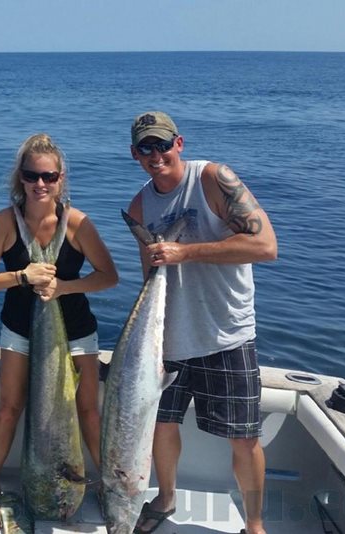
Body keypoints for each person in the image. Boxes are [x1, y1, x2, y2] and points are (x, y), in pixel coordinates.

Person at [124, 111, 277, 534]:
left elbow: (265, 246)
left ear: (179, 143)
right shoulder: (140, 205)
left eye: (162, 144)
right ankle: (166, 498)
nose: (155, 155)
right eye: (145, 148)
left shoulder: (213, 178)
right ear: (134, 154)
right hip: (168, 338)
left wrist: (185, 253)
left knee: (243, 437)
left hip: (225, 332)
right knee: (162, 425)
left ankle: (255, 525)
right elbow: (149, 275)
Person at [0, 133, 119, 529]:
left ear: (61, 179)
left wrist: (63, 287)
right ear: (20, 177)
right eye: (32, 175)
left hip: (75, 330)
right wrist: (22, 276)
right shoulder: (1, 223)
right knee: (9, 408)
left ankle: (108, 486)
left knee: (87, 409)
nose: (40, 184)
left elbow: (109, 276)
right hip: (19, 329)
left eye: (49, 177)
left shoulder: (79, 224)